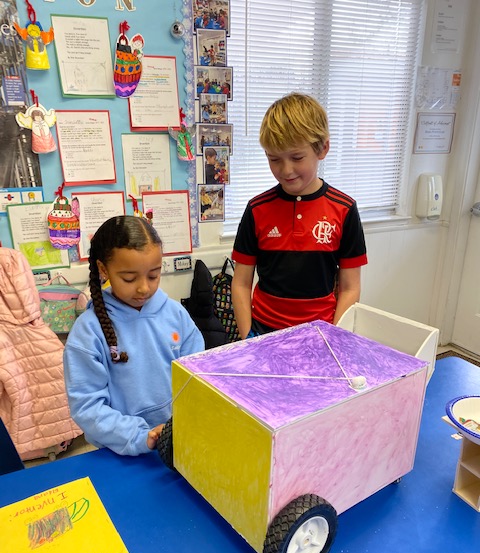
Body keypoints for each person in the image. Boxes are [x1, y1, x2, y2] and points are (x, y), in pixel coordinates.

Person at [63, 216, 205, 456]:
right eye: (129, 278)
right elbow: (88, 407)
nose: (144, 288)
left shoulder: (175, 314)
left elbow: (199, 375)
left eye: (153, 275)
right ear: (103, 269)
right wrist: (139, 435)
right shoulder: (88, 332)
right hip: (119, 447)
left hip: (178, 437)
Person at [231, 92, 367, 339]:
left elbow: (350, 287)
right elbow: (241, 283)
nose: (286, 170)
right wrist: (247, 335)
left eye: (296, 157)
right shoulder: (257, 209)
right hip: (264, 333)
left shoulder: (344, 209)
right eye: (274, 159)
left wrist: (335, 335)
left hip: (321, 333)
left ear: (322, 148)